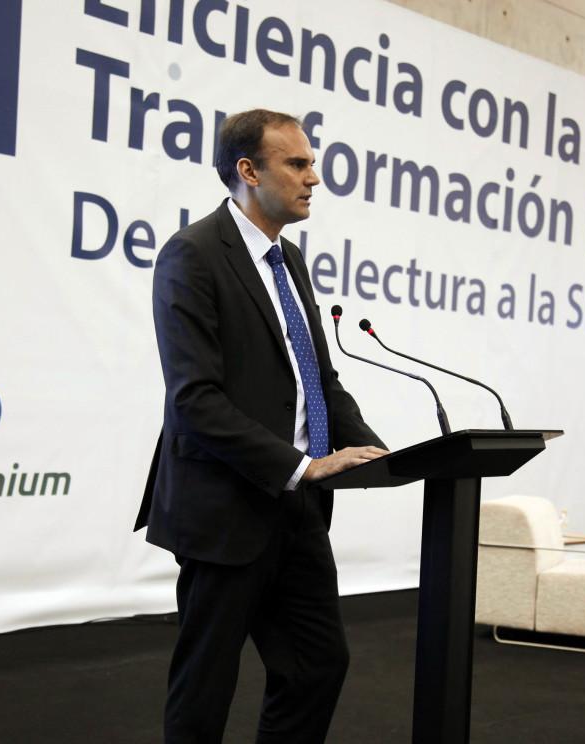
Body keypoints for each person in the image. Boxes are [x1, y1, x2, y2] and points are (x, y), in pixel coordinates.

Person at [134, 108, 388, 744]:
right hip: (226, 507)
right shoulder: (193, 254)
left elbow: (319, 380)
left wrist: (369, 448)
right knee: (205, 687)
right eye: (296, 164)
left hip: (298, 509)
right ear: (248, 171)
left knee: (316, 667)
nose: (313, 178)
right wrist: (302, 465)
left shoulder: (289, 260)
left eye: (311, 163)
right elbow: (194, 400)